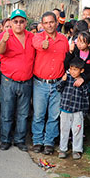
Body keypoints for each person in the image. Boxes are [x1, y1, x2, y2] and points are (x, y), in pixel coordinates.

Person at [0, 9, 35, 151]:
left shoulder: (32, 36)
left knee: (23, 114)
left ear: (25, 23)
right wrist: (4, 41)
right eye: (15, 21)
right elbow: (0, 51)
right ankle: (5, 139)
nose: (18, 24)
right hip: (9, 81)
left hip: (26, 82)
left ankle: (19, 140)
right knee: (7, 112)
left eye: (21, 21)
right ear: (11, 23)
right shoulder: (5, 35)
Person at [31, 11, 69, 155]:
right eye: (46, 23)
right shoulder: (38, 37)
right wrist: (43, 44)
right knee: (39, 114)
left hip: (58, 82)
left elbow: (67, 58)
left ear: (57, 22)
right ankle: (37, 141)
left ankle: (49, 142)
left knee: (54, 115)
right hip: (40, 83)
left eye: (51, 22)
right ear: (42, 24)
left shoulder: (63, 40)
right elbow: (37, 44)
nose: (49, 25)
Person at [57, 57, 89, 160]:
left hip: (77, 111)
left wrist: (84, 112)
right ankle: (62, 149)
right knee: (64, 130)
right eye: (71, 69)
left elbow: (85, 98)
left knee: (77, 131)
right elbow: (58, 88)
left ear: (81, 70)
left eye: (75, 69)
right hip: (65, 109)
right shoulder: (67, 78)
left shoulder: (82, 83)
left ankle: (77, 150)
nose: (72, 71)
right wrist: (62, 80)